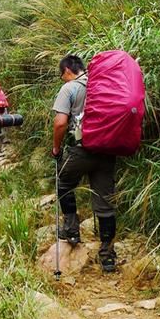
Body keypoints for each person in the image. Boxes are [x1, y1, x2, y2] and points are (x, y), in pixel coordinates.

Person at [51, 55, 118, 272]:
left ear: (68, 70)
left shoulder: (69, 88)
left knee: (63, 183)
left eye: (62, 74)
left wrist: (56, 147)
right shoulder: (102, 84)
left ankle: (71, 231)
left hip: (81, 150)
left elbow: (60, 123)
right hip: (107, 149)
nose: (62, 78)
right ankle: (107, 256)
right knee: (105, 201)